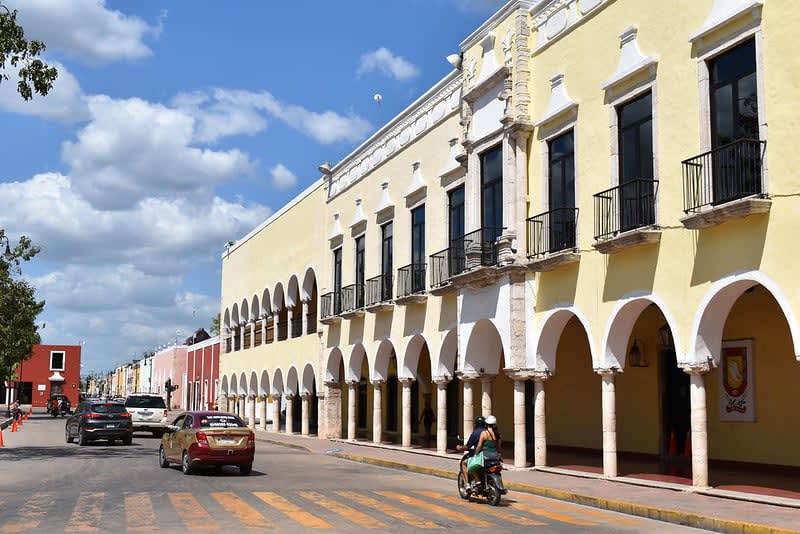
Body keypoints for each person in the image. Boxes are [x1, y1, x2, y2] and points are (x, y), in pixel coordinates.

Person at [457, 416, 486, 489]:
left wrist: (460, 448)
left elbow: (468, 446)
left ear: (475, 424)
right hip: (490, 455)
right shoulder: (489, 432)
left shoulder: (475, 433)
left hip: (480, 455)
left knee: (465, 463)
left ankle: (468, 484)